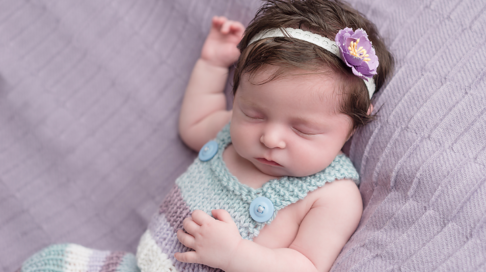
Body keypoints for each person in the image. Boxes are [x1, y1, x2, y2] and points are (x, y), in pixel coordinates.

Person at [19, 0, 393, 271]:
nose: (271, 138)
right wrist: (213, 63)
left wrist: (235, 256)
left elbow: (306, 265)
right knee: (49, 262)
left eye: (303, 129)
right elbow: (194, 121)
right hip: (143, 264)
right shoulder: (230, 134)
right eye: (254, 112)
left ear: (354, 125)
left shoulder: (333, 194)